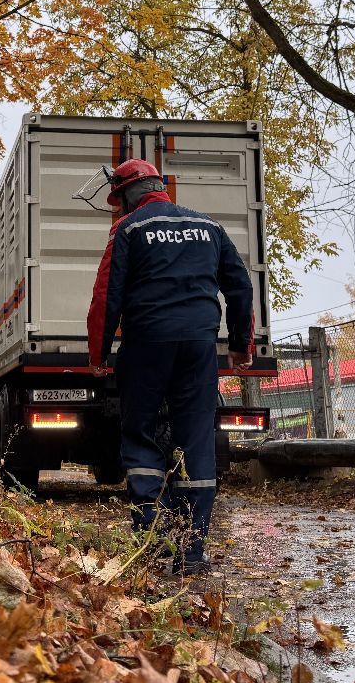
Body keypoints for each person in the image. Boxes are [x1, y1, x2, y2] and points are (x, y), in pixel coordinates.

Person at [86, 158, 255, 574]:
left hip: (146, 343)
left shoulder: (127, 230)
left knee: (140, 433)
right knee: (195, 437)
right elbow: (240, 286)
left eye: (118, 200)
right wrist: (239, 345)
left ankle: (152, 540)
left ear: (128, 194)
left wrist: (99, 354)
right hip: (199, 345)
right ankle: (191, 550)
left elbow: (107, 296)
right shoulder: (210, 228)